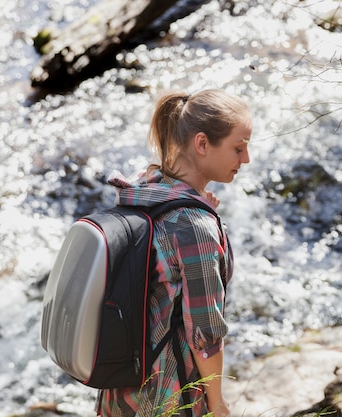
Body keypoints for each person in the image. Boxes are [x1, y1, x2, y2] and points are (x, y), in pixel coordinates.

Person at [97, 89, 252, 417]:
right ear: (202, 144)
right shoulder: (193, 226)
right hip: (166, 396)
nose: (246, 159)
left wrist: (198, 205)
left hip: (120, 389)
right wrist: (217, 404)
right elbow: (205, 332)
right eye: (238, 148)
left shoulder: (146, 187)